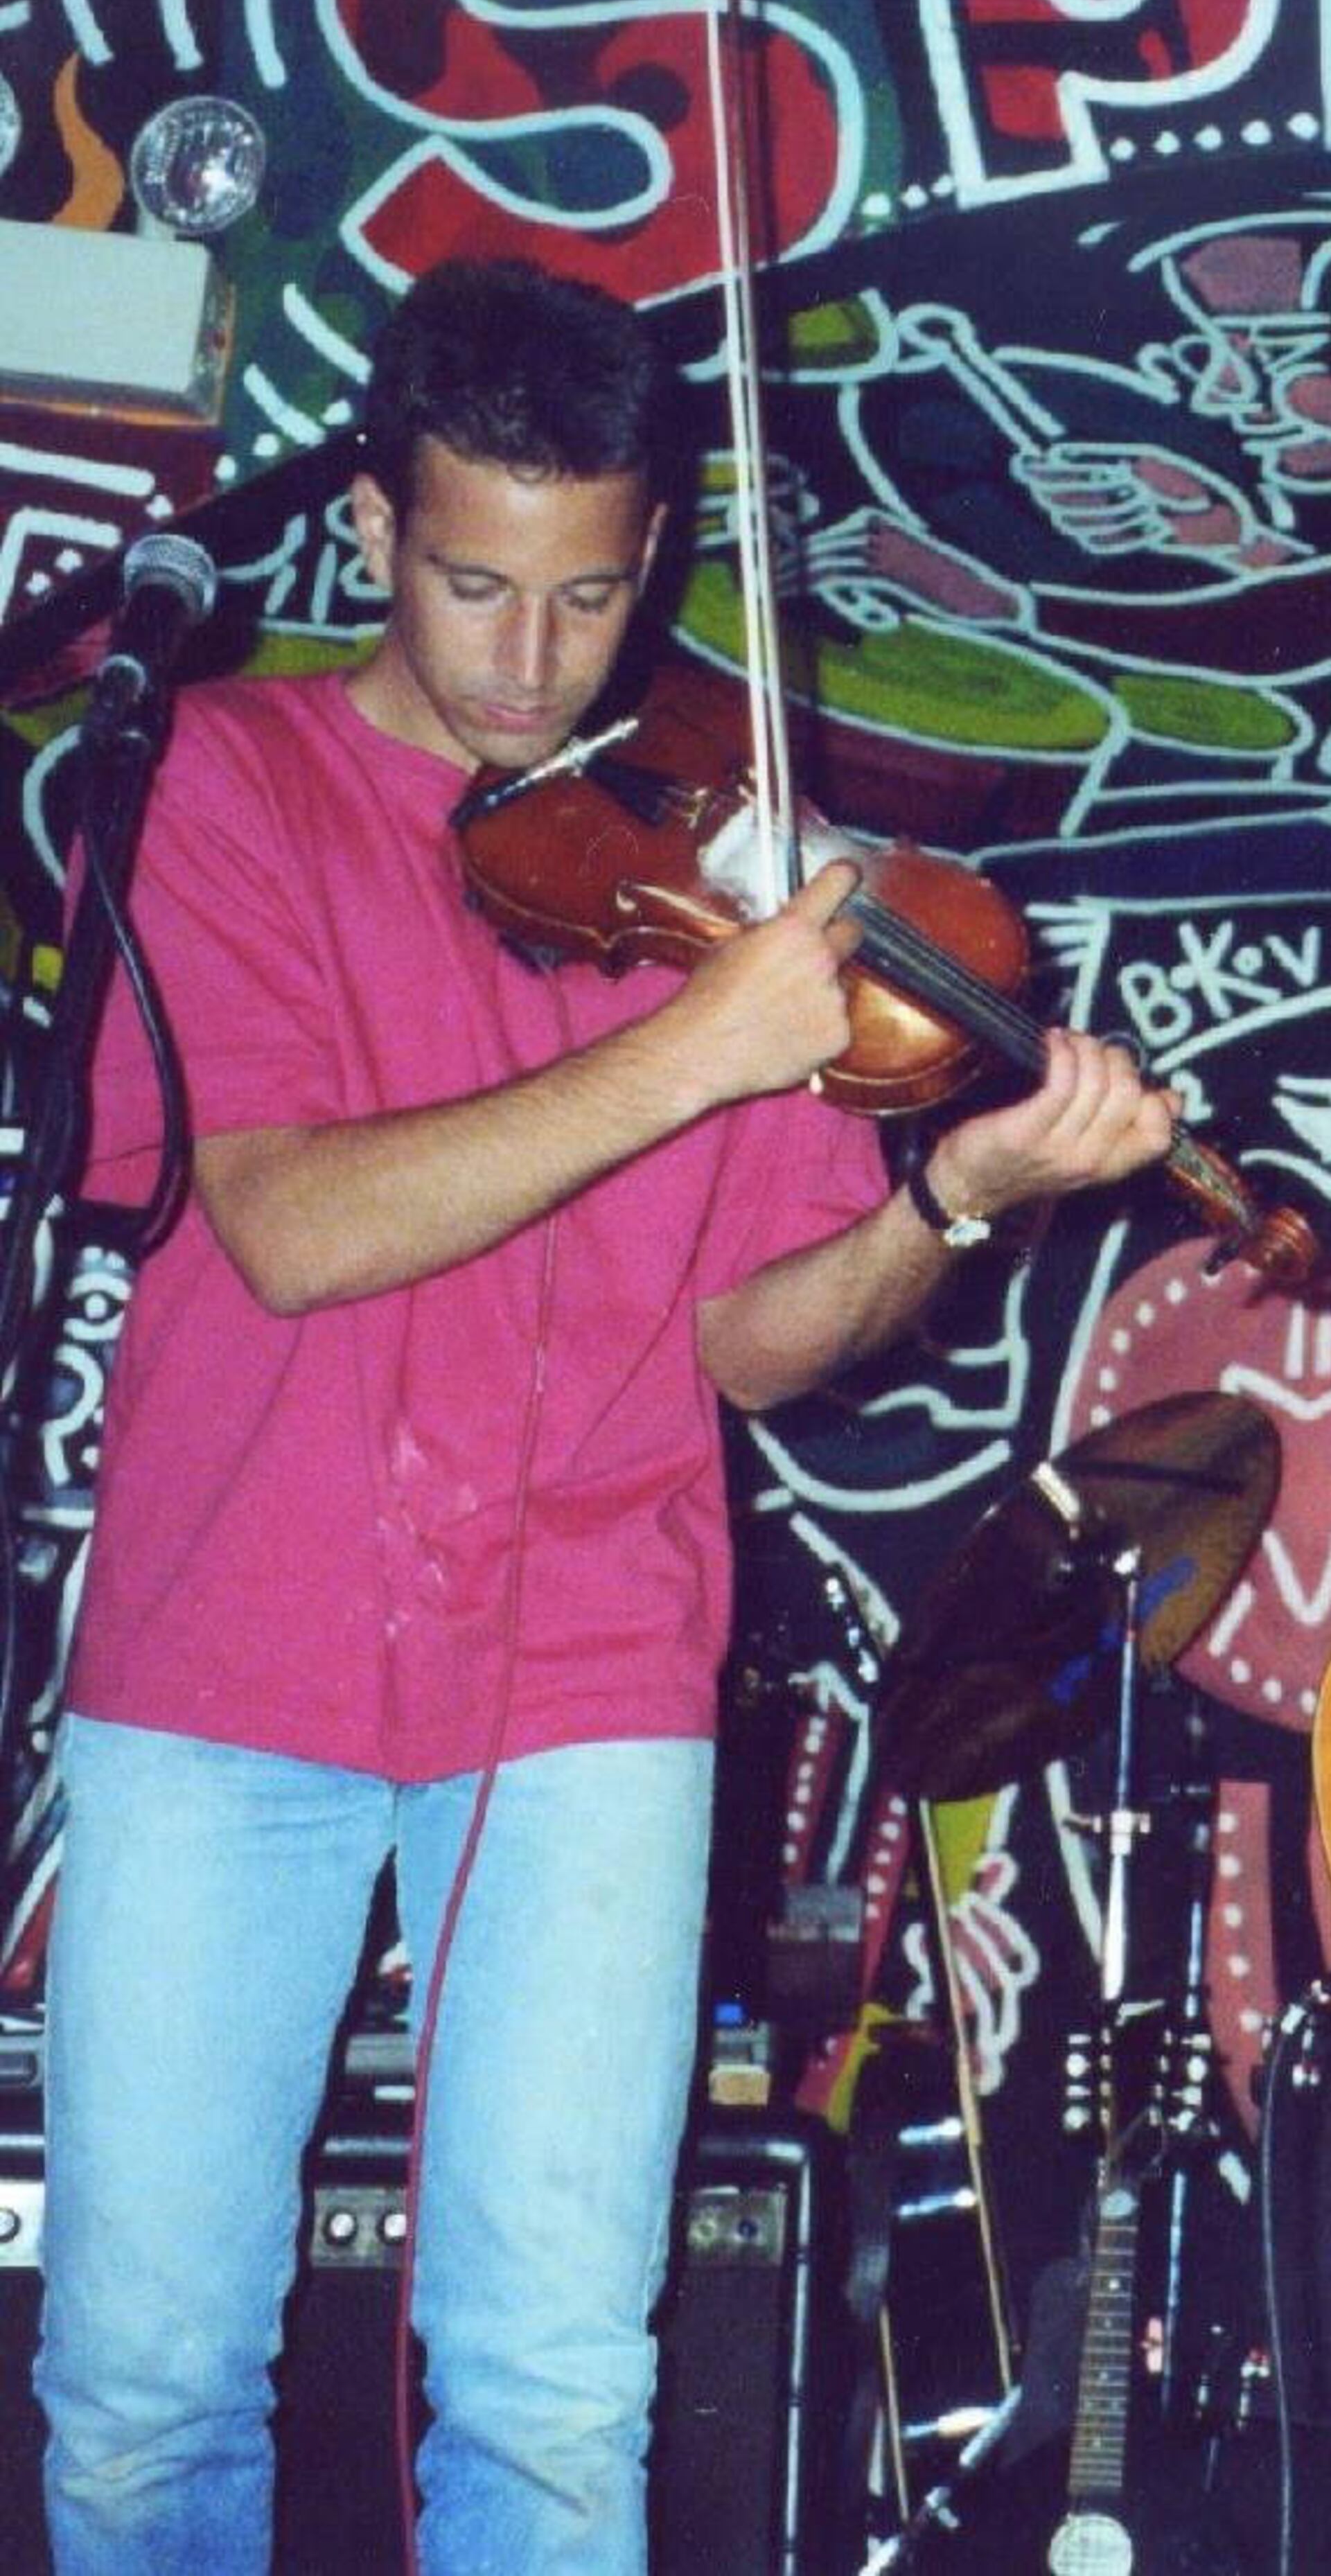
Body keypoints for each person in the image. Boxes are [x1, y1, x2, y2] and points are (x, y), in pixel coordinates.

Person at [35, 257, 1173, 2576]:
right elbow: (291, 1229)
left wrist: (946, 1197)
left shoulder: (713, 863)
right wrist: (699, 1044)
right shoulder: (225, 783)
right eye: (471, 586)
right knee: (146, 2388)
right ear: (371, 532)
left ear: (653, 553)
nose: (529, 661)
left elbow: (755, 1343)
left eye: (584, 595)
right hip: (221, 1659)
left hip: (584, 1675)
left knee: (559, 2385)